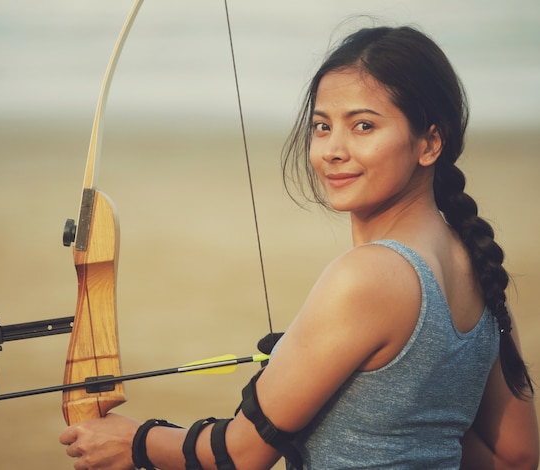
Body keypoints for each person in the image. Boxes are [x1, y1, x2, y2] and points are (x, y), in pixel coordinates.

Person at [59, 25, 539, 469]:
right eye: (322, 126)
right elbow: (517, 458)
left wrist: (136, 441)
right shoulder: (476, 267)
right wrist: (404, 414)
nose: (332, 149)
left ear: (429, 143)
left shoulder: (371, 274)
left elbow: (242, 454)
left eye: (364, 126)